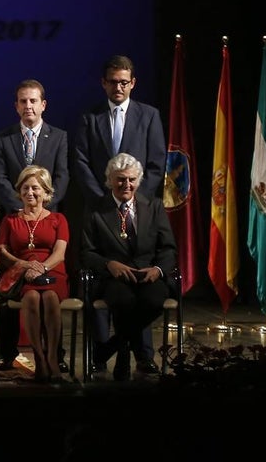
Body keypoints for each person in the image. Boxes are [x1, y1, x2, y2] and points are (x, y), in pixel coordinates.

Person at [70, 55, 165, 373]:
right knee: (108, 280)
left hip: (138, 206)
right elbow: (81, 160)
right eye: (113, 81)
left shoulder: (149, 116)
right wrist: (103, 198)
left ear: (133, 82)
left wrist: (136, 198)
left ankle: (142, 354)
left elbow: (155, 163)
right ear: (104, 83)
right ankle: (102, 352)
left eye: (124, 81)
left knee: (139, 278)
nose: (118, 87)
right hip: (100, 207)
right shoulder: (90, 117)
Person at [0, 79, 70, 373]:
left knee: (48, 295)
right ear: (16, 106)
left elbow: (62, 177)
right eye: (23, 101)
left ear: (43, 104)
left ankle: (54, 356)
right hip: (17, 227)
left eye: (33, 101)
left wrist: (42, 206)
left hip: (47, 227)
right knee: (10, 292)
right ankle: (7, 353)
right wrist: (23, 207)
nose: (28, 106)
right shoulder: (3, 138)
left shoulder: (58, 137)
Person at [79, 153, 176, 381]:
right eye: (120, 179)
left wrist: (158, 270)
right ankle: (126, 356)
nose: (127, 185)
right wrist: (108, 264)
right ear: (110, 180)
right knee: (123, 301)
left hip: (148, 275)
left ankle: (114, 347)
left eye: (132, 179)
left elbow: (169, 248)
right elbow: (86, 252)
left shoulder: (154, 206)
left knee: (152, 301)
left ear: (139, 181)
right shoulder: (96, 210)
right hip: (113, 278)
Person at [0, 165, 70, 383]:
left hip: (52, 271)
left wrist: (42, 267)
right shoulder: (10, 220)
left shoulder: (58, 219)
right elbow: (3, 251)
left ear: (46, 192)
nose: (30, 193)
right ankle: (39, 359)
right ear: (19, 192)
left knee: (49, 297)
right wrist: (24, 266)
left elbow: (60, 253)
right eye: (25, 188)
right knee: (31, 297)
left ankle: (53, 357)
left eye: (35, 188)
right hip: (22, 274)